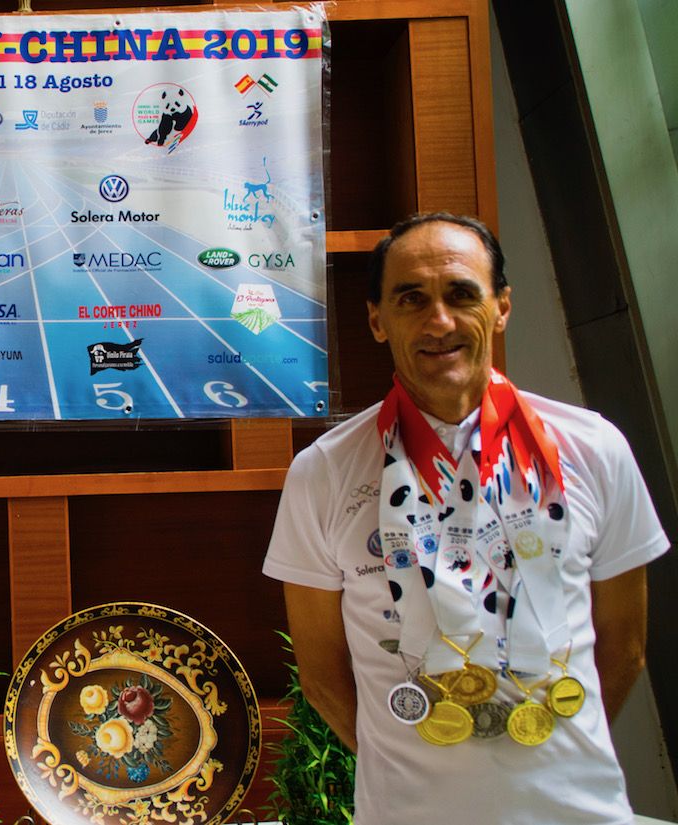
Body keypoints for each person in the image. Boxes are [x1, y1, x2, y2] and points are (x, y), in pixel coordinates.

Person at [264, 213, 668, 824]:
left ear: (501, 306)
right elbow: (321, 675)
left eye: (461, 294)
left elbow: (626, 645)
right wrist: (405, 755)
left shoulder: (594, 449)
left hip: (580, 812)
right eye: (411, 298)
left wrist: (547, 735)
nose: (439, 321)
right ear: (377, 319)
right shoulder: (323, 473)